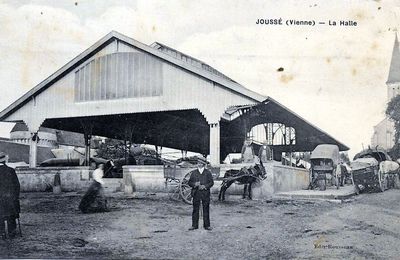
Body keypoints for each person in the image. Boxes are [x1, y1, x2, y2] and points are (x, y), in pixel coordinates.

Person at [188, 156, 214, 231]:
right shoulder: (194, 172)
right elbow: (189, 182)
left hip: (205, 193)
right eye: (198, 163)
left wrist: (205, 186)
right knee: (195, 209)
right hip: (196, 193)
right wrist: (194, 184)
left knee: (206, 209)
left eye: (200, 163)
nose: (199, 164)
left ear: (203, 164)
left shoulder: (208, 173)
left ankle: (207, 225)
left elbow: (211, 183)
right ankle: (194, 225)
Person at [0, 152, 20, 238]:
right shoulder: (11, 170)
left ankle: (1, 234)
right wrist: (16, 197)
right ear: (5, 160)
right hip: (10, 198)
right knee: (11, 216)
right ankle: (12, 233)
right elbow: (17, 185)